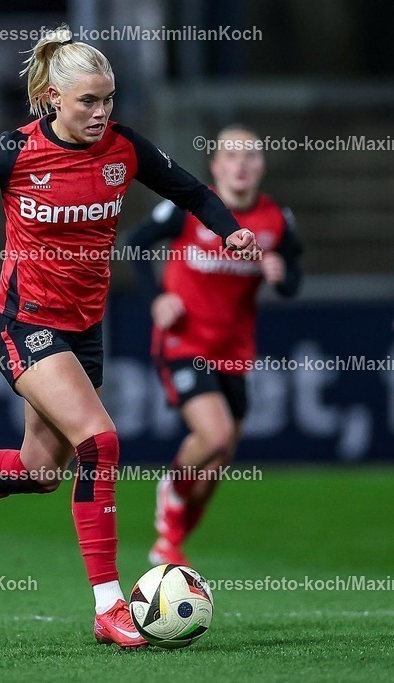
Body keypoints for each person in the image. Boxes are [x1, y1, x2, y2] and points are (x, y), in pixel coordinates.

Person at [0, 25, 260, 649]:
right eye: (88, 100)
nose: (101, 111)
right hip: (24, 322)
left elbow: (193, 191)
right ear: (52, 99)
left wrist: (228, 230)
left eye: (108, 98)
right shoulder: (16, 152)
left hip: (85, 331)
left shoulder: (125, 149)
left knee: (39, 470)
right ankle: (109, 606)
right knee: (101, 441)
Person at [127, 124, 303, 565]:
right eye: (232, 156)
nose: (241, 164)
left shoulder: (275, 219)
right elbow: (136, 243)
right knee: (215, 434)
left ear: (261, 166)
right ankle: (169, 502)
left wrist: (281, 277)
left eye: (249, 156)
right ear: (216, 165)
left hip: (235, 351)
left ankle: (171, 542)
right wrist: (158, 299)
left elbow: (293, 278)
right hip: (183, 341)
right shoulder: (192, 208)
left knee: (217, 464)